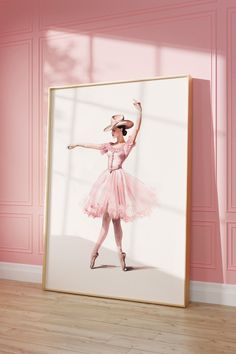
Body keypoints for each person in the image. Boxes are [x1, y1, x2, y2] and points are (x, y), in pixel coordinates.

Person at [67, 99, 158, 271]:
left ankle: (119, 254)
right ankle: (95, 252)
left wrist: (140, 112)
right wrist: (78, 143)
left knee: (115, 222)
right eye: (112, 130)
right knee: (105, 222)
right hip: (106, 183)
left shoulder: (126, 146)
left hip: (118, 182)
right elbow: (92, 145)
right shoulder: (109, 146)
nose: (112, 132)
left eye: (114, 129)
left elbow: (137, 129)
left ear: (121, 130)